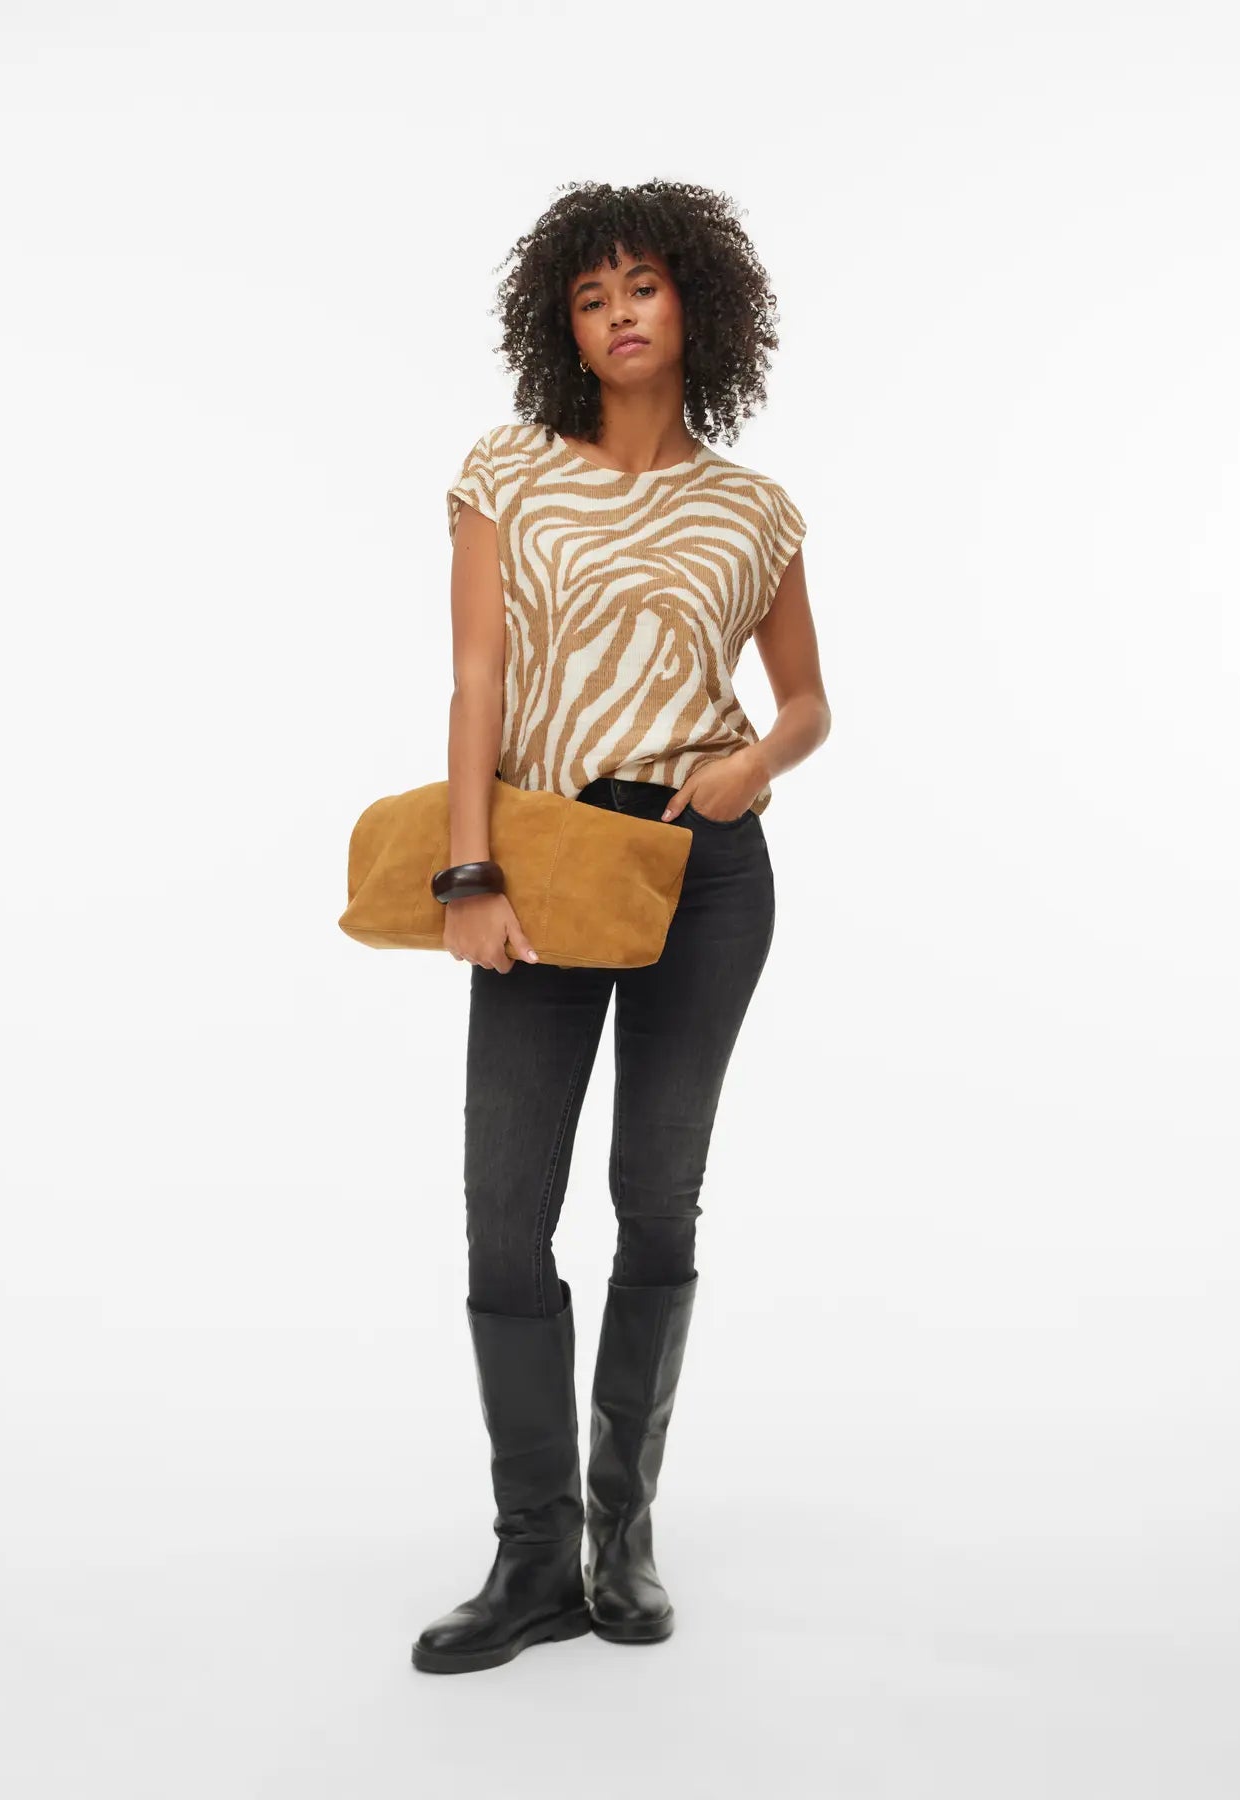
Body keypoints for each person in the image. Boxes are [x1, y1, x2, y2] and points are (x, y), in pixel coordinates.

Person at [411, 179, 832, 1675]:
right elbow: (476, 679)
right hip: (543, 856)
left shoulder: (754, 509)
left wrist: (750, 767)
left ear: (694, 302)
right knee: (503, 1210)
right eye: (590, 298)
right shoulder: (506, 471)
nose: (619, 314)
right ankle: (532, 1557)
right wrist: (469, 874)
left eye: (641, 286)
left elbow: (807, 703)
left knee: (657, 1197)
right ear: (563, 328)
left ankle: (621, 1536)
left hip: (704, 871)